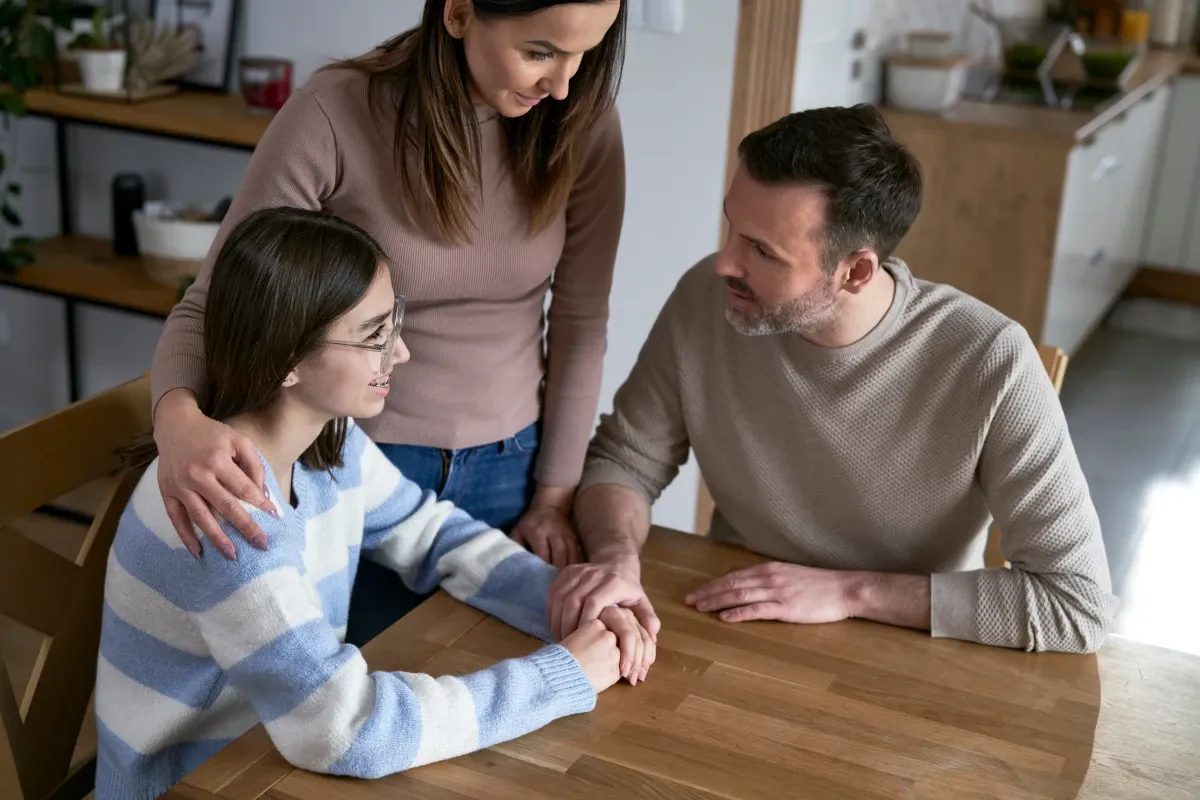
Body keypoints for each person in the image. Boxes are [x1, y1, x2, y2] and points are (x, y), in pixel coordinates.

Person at [95, 208, 655, 800]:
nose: (402, 353)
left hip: (271, 758)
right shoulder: (226, 511)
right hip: (200, 783)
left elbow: (432, 532)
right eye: (374, 337)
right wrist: (563, 674)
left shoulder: (328, 446)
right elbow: (346, 729)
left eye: (395, 325)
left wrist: (566, 599)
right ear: (287, 359)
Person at [546, 104, 1119, 655]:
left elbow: (1078, 603)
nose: (724, 263)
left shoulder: (991, 361)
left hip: (911, 656)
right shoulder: (707, 298)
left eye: (761, 251)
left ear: (855, 271)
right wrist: (616, 556)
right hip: (729, 617)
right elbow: (625, 460)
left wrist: (851, 591)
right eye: (731, 228)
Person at [147, 0, 627, 645]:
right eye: (540, 52)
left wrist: (554, 496)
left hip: (515, 468)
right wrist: (176, 420)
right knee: (348, 697)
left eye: (585, 54)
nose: (563, 84)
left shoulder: (581, 122)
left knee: (489, 697)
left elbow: (581, 321)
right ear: (458, 14)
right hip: (348, 460)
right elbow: (214, 301)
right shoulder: (336, 112)